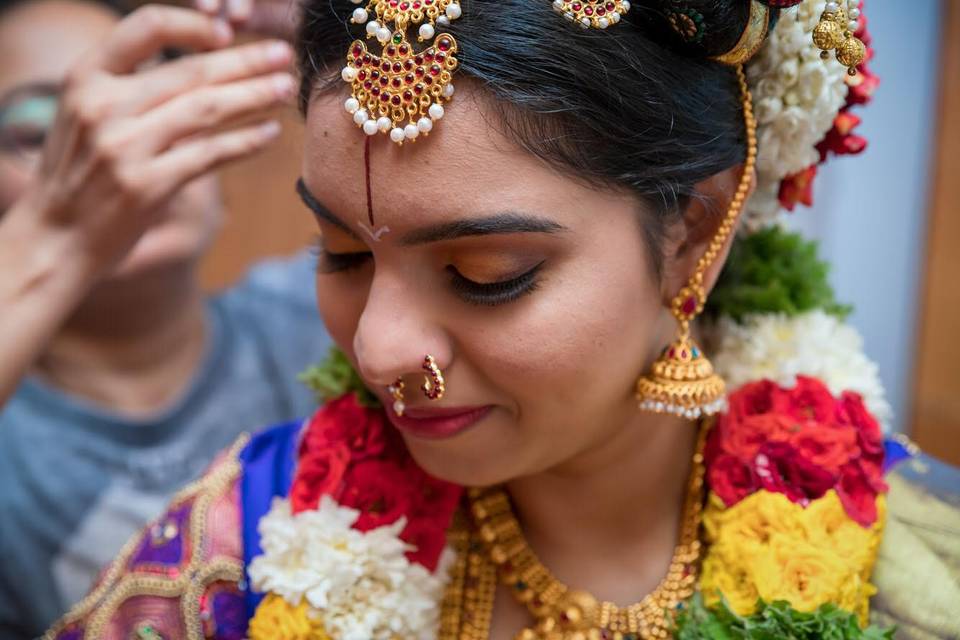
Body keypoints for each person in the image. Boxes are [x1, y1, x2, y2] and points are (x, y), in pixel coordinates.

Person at [45, 0, 960, 639]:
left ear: (694, 227)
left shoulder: (921, 571)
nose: (380, 350)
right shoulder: (244, 544)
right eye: (344, 254)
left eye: (488, 274)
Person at [0, 1, 332, 635]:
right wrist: (52, 240)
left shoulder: (327, 316)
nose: (115, 148)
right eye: (46, 129)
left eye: (154, 102)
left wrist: (352, 29)